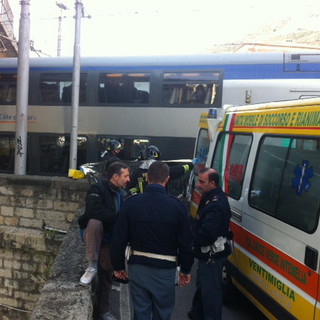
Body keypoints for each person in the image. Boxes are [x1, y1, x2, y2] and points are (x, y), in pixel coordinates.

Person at [111, 161, 194, 320]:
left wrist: (118, 266)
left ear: (147, 177)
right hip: (165, 269)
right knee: (163, 312)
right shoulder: (178, 207)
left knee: (141, 312)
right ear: (167, 179)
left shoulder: (131, 203)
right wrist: (185, 270)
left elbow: (119, 239)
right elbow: (186, 244)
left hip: (138, 267)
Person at [78, 161, 130, 320]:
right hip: (94, 233)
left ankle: (103, 311)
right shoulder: (97, 188)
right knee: (95, 222)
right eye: (126, 176)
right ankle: (92, 266)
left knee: (107, 275)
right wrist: (116, 218)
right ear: (115, 176)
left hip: (110, 238)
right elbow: (93, 210)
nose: (128, 179)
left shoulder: (123, 194)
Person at [188, 168, 232, 320]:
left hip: (211, 257)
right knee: (203, 289)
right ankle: (197, 314)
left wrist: (186, 240)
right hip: (206, 255)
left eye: (202, 182)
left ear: (212, 183)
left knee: (211, 295)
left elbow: (207, 234)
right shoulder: (209, 197)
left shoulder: (217, 204)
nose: (198, 185)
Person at [127, 145, 193, 194]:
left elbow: (129, 186)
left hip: (142, 200)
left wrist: (136, 193)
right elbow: (176, 171)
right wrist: (190, 166)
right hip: (160, 198)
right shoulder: (161, 169)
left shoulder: (138, 171)